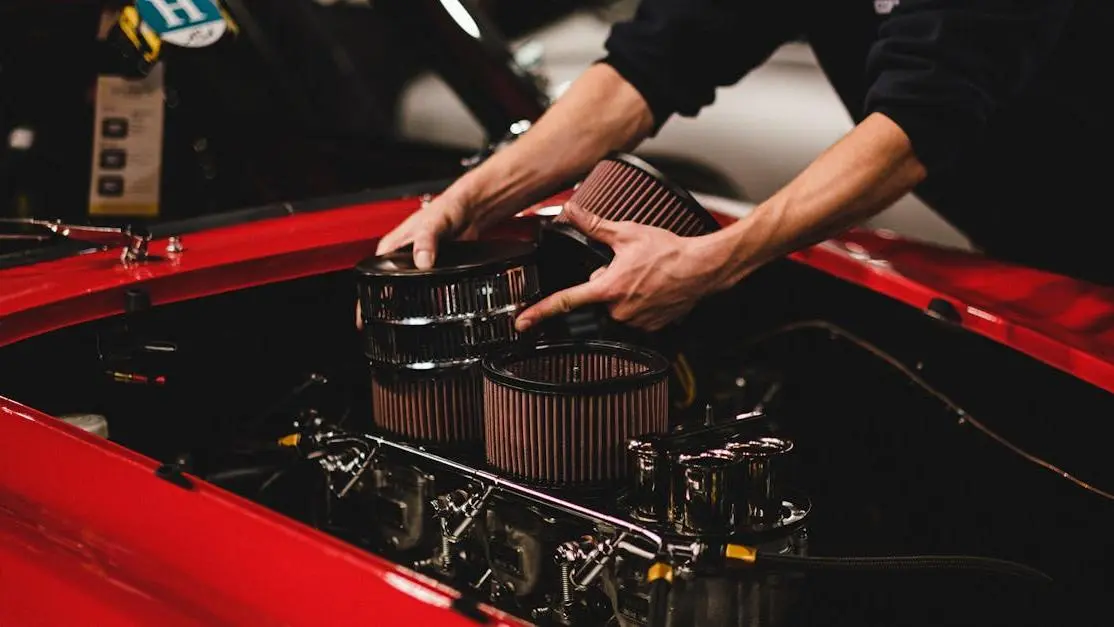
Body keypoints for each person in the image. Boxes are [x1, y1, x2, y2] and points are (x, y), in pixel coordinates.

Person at [373, 0, 1112, 332]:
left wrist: (713, 263)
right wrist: (470, 198)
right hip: (1040, 241)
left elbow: (922, 116)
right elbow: (651, 63)